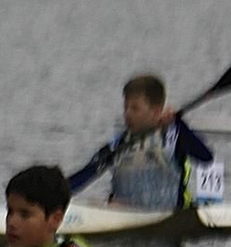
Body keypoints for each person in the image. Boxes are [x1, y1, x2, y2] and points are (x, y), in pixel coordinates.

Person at [68, 72, 216, 211]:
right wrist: (57, 194)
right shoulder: (118, 144)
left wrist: (178, 125)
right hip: (123, 216)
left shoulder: (173, 137)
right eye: (125, 107)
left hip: (169, 217)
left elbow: (206, 157)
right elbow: (84, 176)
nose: (127, 114)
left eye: (135, 108)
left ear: (156, 111)